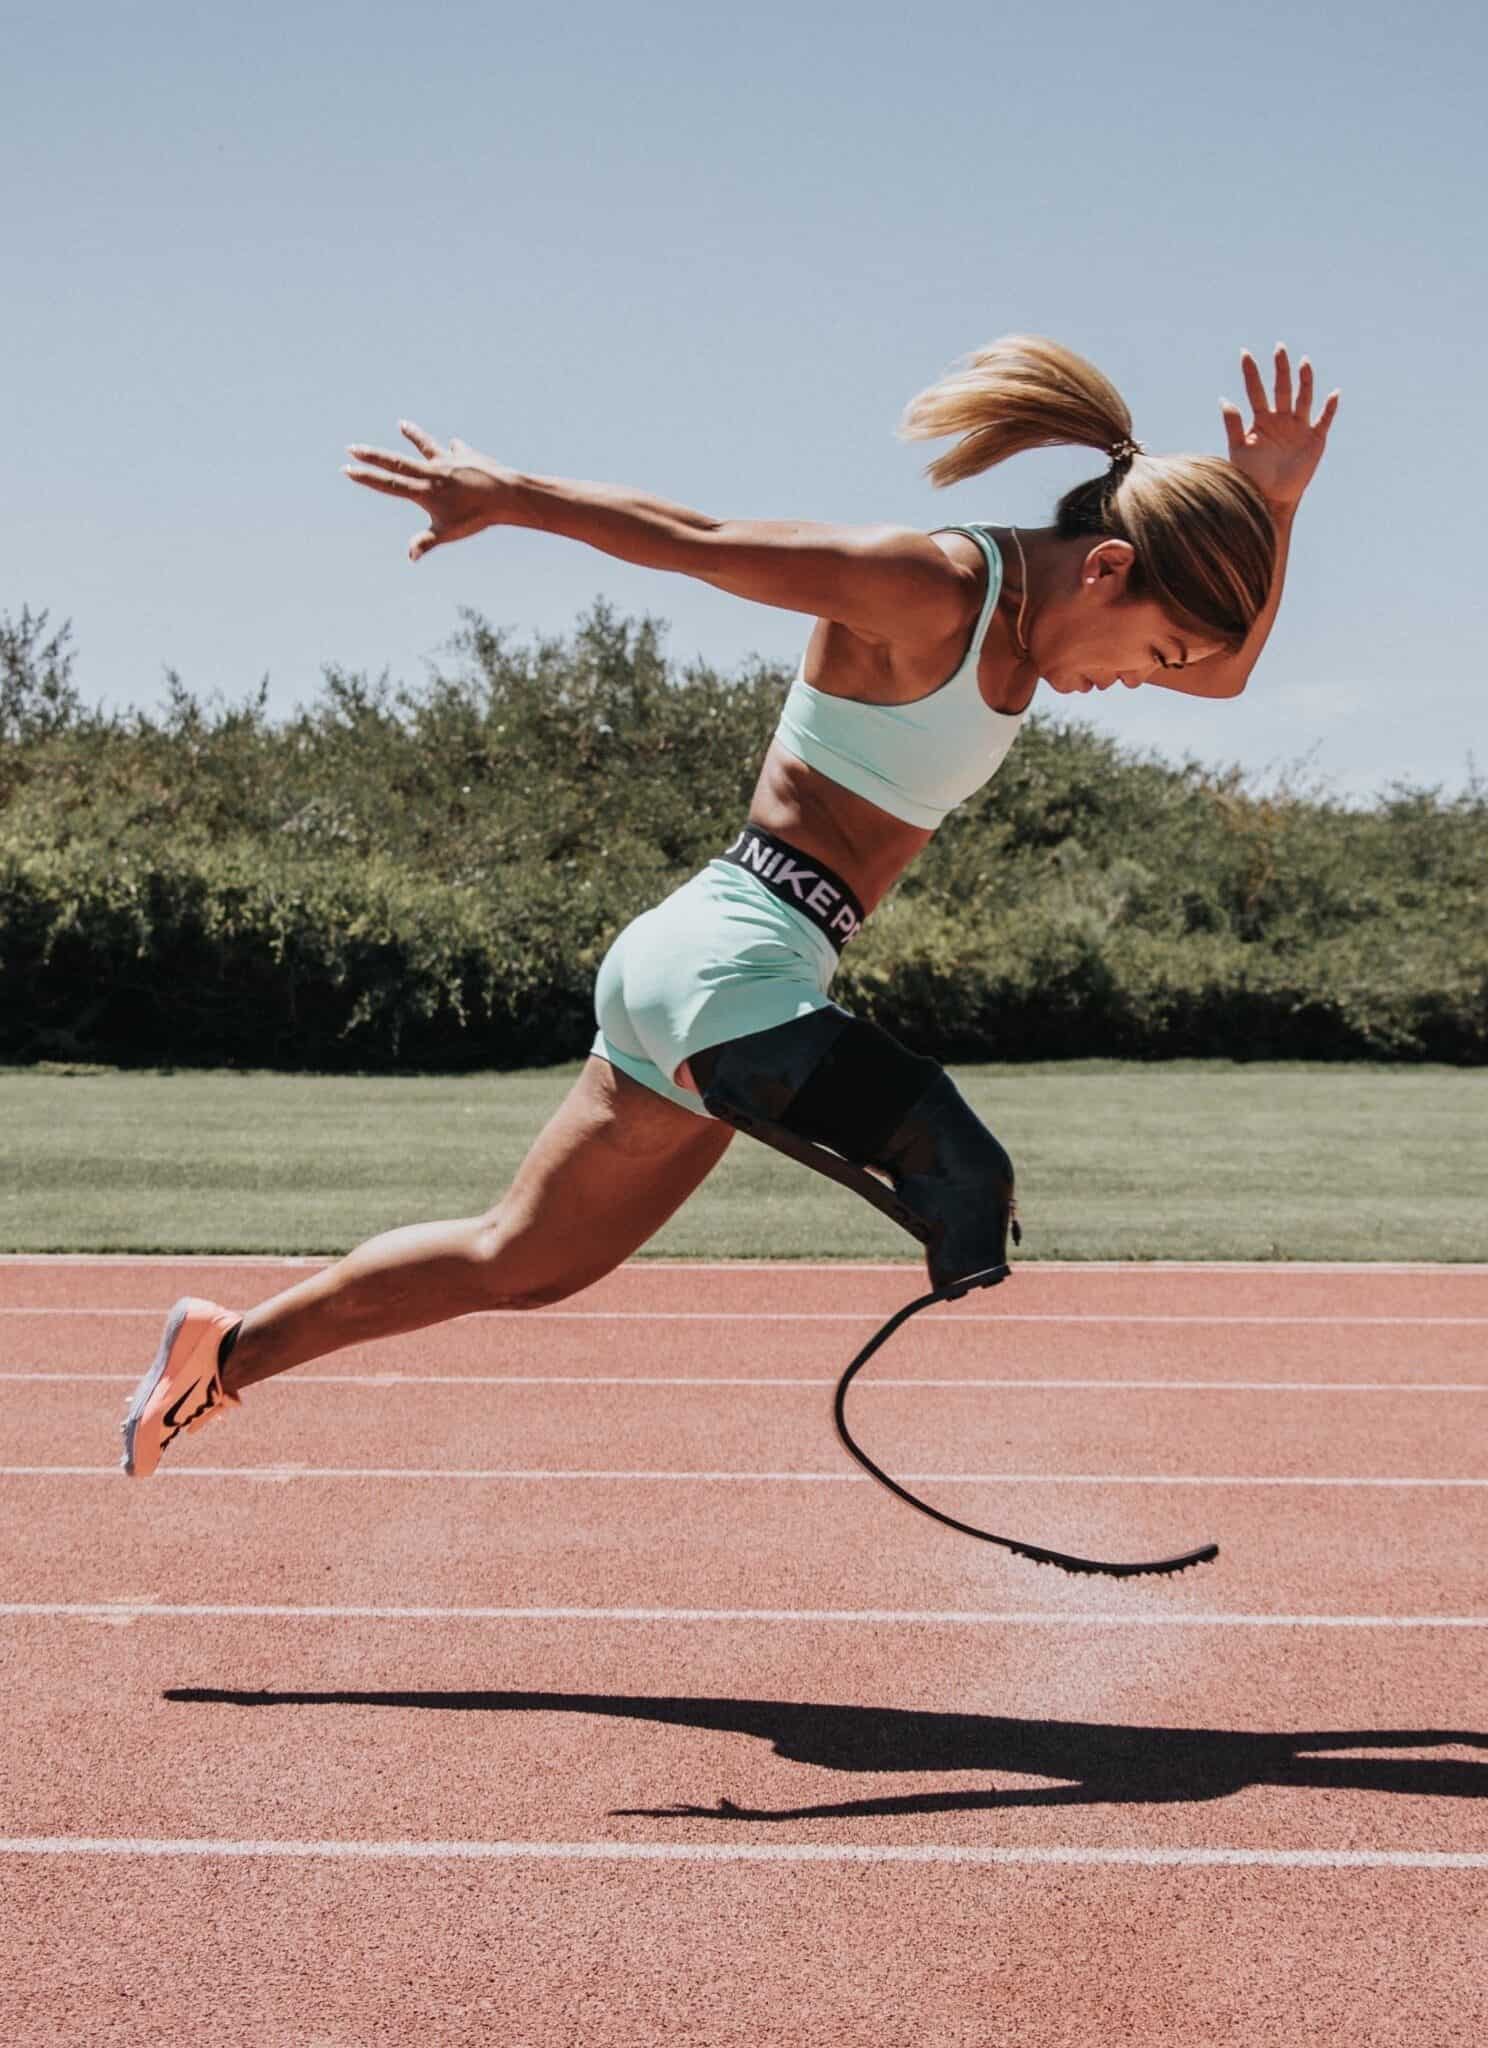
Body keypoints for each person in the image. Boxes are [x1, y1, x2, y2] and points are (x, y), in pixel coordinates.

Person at [121, 335, 1338, 1478]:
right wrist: (506, 493)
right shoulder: (932, 586)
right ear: (1110, 566)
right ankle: (913, 1133)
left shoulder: (1039, 626)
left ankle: (221, 1355)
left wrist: (1271, 502)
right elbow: (701, 536)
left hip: (733, 968)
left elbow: (1229, 672)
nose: (1145, 682)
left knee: (524, 1261)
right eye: (1153, 651)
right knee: (953, 1155)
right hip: (727, 962)